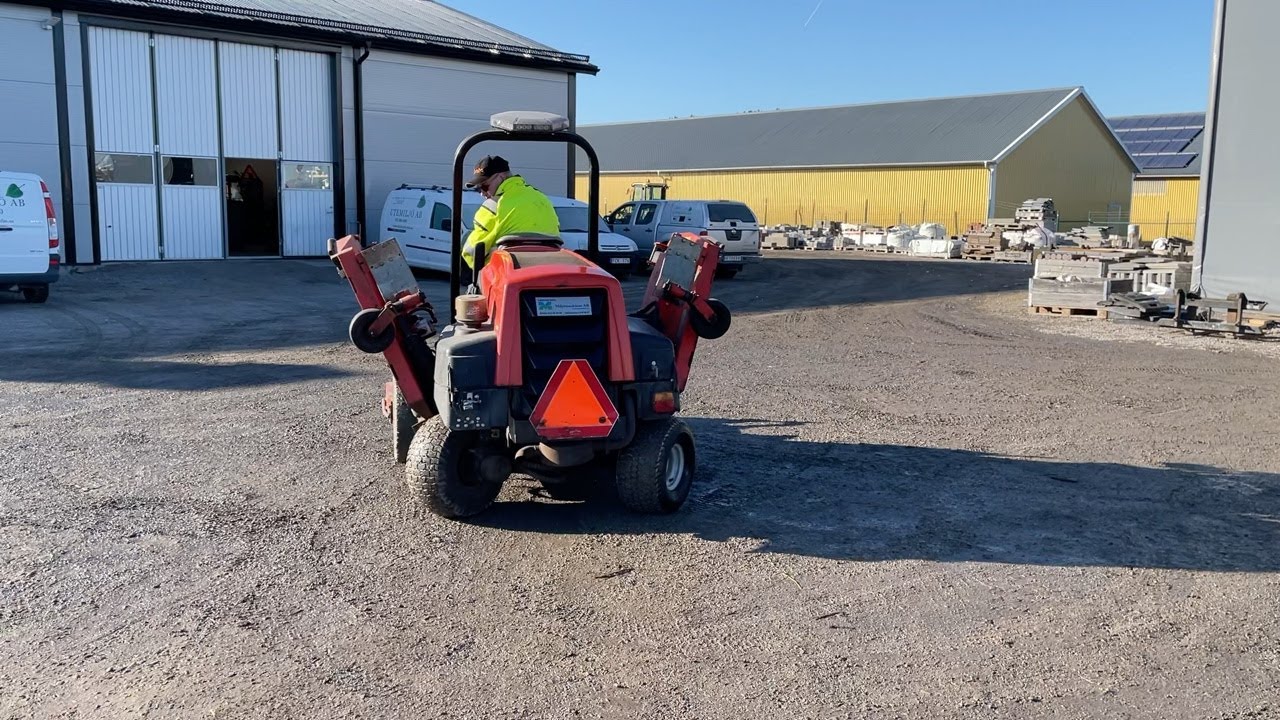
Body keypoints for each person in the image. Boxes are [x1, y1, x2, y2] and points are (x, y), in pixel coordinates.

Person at [462, 155, 560, 268]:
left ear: (501, 177)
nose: (482, 193)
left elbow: (472, 253)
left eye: (484, 186)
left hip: (509, 272)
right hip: (548, 268)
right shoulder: (541, 198)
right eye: (478, 189)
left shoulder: (493, 206)